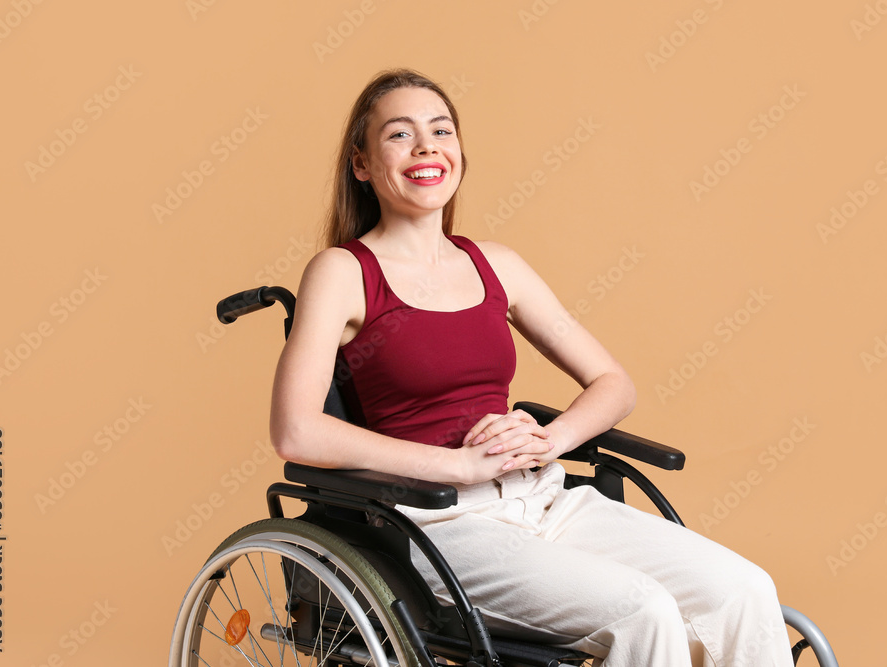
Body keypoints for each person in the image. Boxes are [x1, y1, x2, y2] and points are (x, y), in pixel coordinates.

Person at [269, 68, 795, 666]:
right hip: (438, 524)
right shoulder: (342, 272)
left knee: (744, 591)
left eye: (441, 131)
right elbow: (296, 431)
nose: (426, 148)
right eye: (400, 134)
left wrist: (551, 439)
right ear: (362, 164)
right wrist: (457, 465)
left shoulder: (498, 265)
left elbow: (614, 384)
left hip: (542, 498)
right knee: (643, 611)